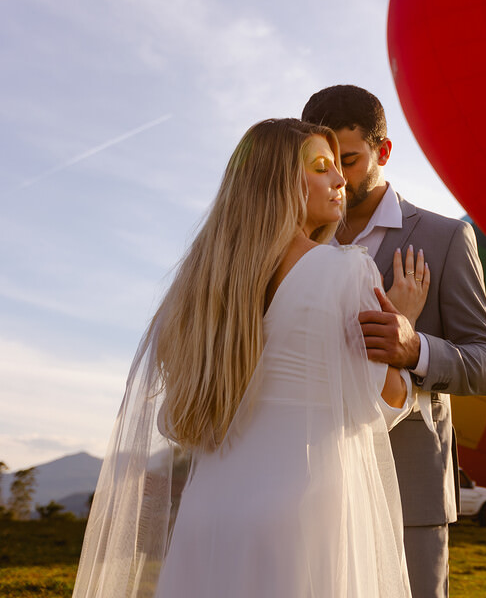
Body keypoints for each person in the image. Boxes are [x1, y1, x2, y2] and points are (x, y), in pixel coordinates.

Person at [73, 118, 430, 598]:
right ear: (279, 180)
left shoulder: (196, 291)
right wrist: (401, 329)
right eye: (322, 167)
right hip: (304, 507)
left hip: (210, 508)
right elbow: (376, 408)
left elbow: (181, 416)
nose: (340, 180)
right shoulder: (345, 271)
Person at [303, 85, 486, 598]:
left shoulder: (442, 239)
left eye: (349, 160)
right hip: (308, 485)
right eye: (323, 163)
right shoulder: (293, 242)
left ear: (384, 151)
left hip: (407, 492)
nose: (338, 178)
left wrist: (414, 348)